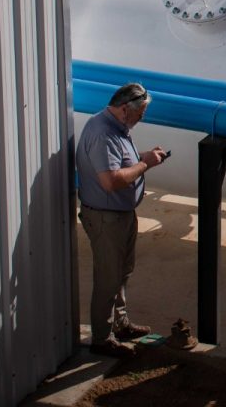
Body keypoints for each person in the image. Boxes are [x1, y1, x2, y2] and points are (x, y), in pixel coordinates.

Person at [76, 82, 168, 358]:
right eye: (140, 113)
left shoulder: (118, 129)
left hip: (120, 216)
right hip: (107, 219)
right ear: (125, 109)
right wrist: (146, 163)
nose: (142, 118)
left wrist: (143, 157)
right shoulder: (102, 133)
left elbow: (121, 164)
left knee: (121, 272)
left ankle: (120, 324)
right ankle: (102, 338)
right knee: (108, 277)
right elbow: (111, 180)